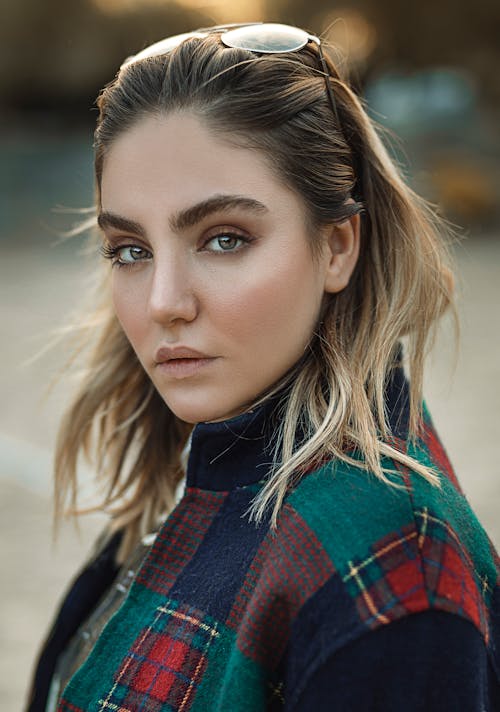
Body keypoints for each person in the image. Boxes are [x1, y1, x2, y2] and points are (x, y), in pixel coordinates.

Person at [27, 22, 499, 711]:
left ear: (337, 246)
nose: (163, 303)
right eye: (130, 249)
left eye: (224, 238)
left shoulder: (394, 573)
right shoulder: (199, 469)